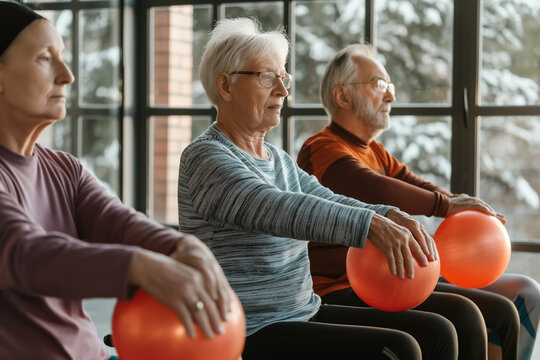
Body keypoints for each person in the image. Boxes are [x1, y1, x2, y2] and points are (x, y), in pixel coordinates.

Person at [176, 17, 499, 360]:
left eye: (283, 78)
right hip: (249, 327)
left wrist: (387, 214)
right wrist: (369, 225)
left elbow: (323, 197)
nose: (283, 91)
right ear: (226, 86)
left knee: (440, 330)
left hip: (303, 311)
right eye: (267, 77)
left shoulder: (276, 158)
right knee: (399, 349)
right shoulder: (204, 158)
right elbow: (277, 208)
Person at [0, 2, 234, 359]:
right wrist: (138, 266)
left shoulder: (65, 169)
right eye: (45, 58)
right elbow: (24, 253)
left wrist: (181, 247)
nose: (67, 75)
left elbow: (122, 224)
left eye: (62, 56)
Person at [298, 43, 540, 360]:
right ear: (343, 96)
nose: (391, 96)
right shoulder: (322, 147)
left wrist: (460, 202)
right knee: (466, 317)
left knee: (504, 312)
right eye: (379, 85)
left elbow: (410, 182)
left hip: (396, 277)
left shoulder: (375, 151)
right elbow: (376, 189)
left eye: (390, 86)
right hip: (339, 288)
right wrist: (444, 205)